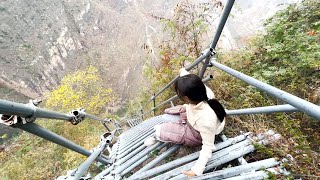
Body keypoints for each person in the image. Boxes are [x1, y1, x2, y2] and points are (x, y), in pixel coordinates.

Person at [144, 68, 226, 176]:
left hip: (196, 133)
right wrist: (183, 71)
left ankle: (156, 136)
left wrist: (197, 170)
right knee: (168, 115)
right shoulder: (203, 91)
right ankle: (165, 130)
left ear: (187, 98)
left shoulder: (206, 120)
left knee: (162, 130)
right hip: (192, 115)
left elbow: (208, 146)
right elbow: (188, 77)